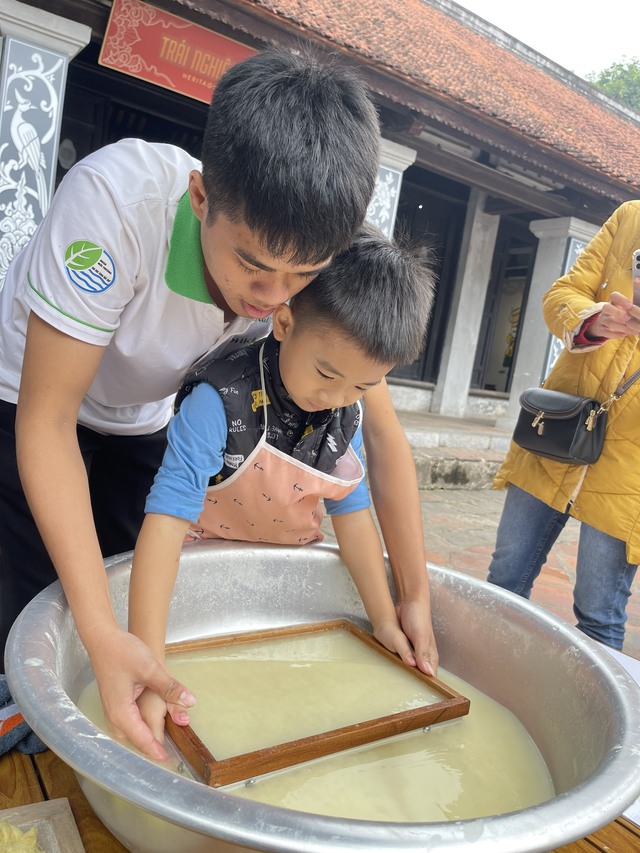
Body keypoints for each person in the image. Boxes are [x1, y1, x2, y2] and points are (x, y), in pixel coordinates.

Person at [0, 45, 435, 760]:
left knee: (125, 583)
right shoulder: (113, 206)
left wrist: (411, 591)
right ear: (201, 199)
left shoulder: (315, 252)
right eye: (252, 265)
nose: (270, 299)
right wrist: (105, 631)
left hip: (144, 417)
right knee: (40, 599)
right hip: (24, 399)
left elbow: (382, 438)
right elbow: (46, 423)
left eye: (301, 275)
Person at [129, 224, 437, 740]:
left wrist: (384, 618)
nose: (337, 397)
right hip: (196, 586)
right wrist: (150, 662)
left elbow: (354, 513)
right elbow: (164, 524)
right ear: (285, 323)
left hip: (284, 587)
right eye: (326, 373)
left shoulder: (347, 415)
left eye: (362, 385)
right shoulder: (217, 401)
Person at [487, 200, 640, 652]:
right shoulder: (631, 218)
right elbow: (562, 295)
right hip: (560, 426)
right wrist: (595, 319)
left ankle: (590, 722)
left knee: (598, 614)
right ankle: (486, 685)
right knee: (505, 578)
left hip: (631, 467)